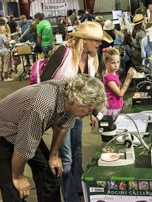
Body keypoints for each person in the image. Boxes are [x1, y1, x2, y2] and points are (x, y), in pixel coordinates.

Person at [0, 74, 106, 202]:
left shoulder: (70, 98)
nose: (90, 113)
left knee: (50, 173)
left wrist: (53, 156)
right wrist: (18, 176)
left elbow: (62, 127)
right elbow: (24, 149)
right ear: (77, 100)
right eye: (90, 108)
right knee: (15, 191)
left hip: (22, 130)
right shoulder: (41, 106)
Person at [40, 21, 112, 202]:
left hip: (77, 111)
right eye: (96, 40)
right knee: (66, 158)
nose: (99, 44)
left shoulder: (91, 58)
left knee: (77, 152)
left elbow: (89, 88)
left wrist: (93, 111)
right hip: (62, 113)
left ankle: (80, 188)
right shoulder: (63, 52)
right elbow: (45, 81)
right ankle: (70, 196)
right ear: (84, 39)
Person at [102, 47, 135, 115]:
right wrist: (128, 79)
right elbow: (120, 93)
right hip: (112, 109)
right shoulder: (108, 77)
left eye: (118, 62)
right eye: (113, 63)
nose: (116, 65)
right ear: (105, 62)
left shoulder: (114, 74)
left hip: (117, 106)